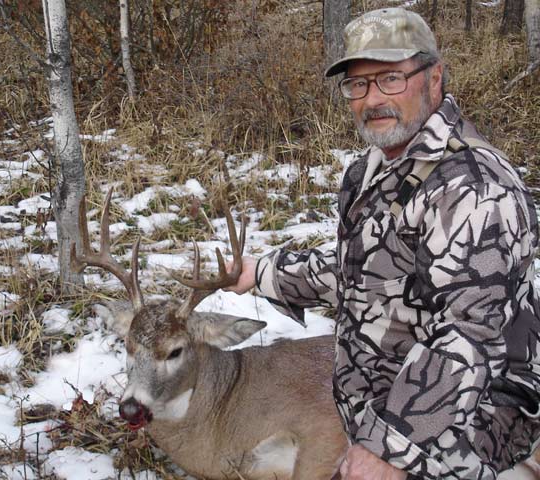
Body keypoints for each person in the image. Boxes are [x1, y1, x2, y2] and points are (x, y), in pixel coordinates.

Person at [227, 7, 540, 480]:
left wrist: (388, 447)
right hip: (382, 410)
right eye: (358, 84)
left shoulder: (474, 189)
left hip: (461, 426)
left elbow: (468, 337)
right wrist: (262, 273)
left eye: (391, 78)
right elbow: (365, 273)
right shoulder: (373, 170)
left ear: (434, 79)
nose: (372, 99)